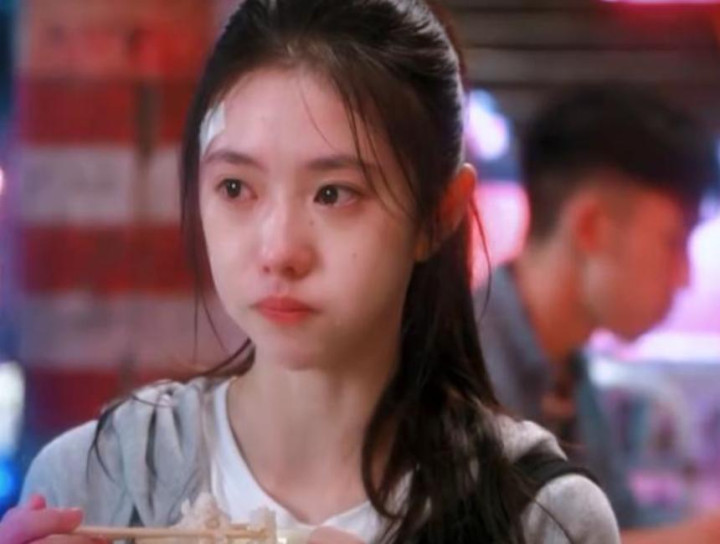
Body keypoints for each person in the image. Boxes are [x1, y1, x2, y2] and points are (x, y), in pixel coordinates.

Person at [1, 1, 619, 542]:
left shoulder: (542, 518)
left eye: (334, 194)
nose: (278, 250)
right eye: (236, 187)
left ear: (439, 215)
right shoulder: (94, 483)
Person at [474, 83, 720, 543]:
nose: (686, 277)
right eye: (674, 242)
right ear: (591, 228)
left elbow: (616, 522)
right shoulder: (464, 365)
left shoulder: (568, 368)